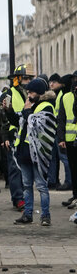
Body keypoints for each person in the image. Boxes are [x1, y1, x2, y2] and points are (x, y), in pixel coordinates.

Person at [11, 78, 56, 226]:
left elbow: (36, 123)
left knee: (41, 186)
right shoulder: (31, 105)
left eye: (31, 92)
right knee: (26, 185)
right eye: (28, 92)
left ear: (39, 93)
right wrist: (8, 110)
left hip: (38, 153)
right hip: (25, 152)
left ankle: (45, 215)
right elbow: (20, 121)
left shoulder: (46, 106)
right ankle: (27, 214)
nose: (28, 94)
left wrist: (27, 111)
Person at [1, 64, 33, 211]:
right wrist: (5, 137)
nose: (29, 81)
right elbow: (3, 120)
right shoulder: (8, 95)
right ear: (17, 79)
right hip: (14, 135)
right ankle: (18, 199)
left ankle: (25, 197)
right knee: (15, 168)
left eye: (31, 78)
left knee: (27, 168)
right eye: (26, 78)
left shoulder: (32, 94)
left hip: (28, 135)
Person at [47, 73, 72, 191]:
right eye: (50, 82)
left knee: (64, 158)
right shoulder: (59, 95)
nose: (51, 84)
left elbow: (61, 116)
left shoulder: (63, 94)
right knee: (55, 157)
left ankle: (69, 181)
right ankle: (53, 181)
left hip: (63, 131)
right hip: (58, 130)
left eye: (54, 82)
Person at [58, 74, 77, 209]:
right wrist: (61, 138)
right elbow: (61, 120)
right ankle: (75, 195)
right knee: (73, 170)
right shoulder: (66, 97)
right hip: (70, 140)